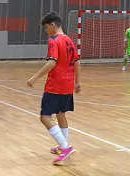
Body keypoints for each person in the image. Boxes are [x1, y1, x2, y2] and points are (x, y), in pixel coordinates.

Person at [27, 12, 81, 165]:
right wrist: (77, 82)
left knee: (45, 117)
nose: (46, 31)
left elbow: (52, 62)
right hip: (68, 84)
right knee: (60, 114)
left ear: (52, 25)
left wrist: (35, 77)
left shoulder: (54, 40)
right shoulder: (70, 41)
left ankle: (65, 147)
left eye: (46, 27)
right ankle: (63, 145)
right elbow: (77, 63)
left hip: (55, 85)